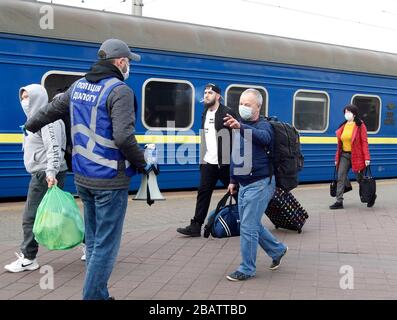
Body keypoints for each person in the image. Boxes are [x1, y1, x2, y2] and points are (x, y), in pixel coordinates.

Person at [24, 39, 154, 300]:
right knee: (106, 244)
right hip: (109, 179)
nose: (128, 66)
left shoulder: (78, 86)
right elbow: (123, 138)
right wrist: (144, 163)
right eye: (127, 61)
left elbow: (48, 111)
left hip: (83, 178)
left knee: (94, 239)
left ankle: (100, 294)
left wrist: (30, 126)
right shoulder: (120, 91)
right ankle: (93, 296)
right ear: (120, 62)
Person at [223, 88, 288, 281]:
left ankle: (247, 269)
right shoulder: (239, 125)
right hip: (244, 184)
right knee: (250, 225)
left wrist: (240, 127)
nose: (242, 107)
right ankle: (277, 250)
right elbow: (236, 155)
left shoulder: (264, 125)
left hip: (260, 184)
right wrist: (233, 180)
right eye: (241, 104)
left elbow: (264, 138)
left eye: (247, 104)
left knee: (248, 227)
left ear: (258, 107)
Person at [4, 84, 68, 273]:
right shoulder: (35, 118)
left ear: (38, 98)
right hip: (44, 172)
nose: (24, 101)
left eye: (28, 98)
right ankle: (90, 245)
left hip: (45, 174)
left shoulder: (47, 121)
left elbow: (54, 148)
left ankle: (29, 258)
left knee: (30, 217)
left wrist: (51, 173)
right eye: (22, 97)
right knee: (59, 216)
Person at [176, 84, 237, 237]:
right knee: (203, 193)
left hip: (225, 163)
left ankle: (250, 221)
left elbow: (238, 136)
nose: (206, 95)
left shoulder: (227, 112)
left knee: (237, 193)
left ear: (218, 96)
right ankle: (195, 226)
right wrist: (203, 161)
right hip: (209, 163)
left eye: (210, 92)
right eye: (205, 92)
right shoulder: (205, 113)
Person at [330, 104, 375, 209]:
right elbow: (339, 145)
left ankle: (371, 196)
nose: (346, 114)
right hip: (344, 155)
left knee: (360, 180)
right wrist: (336, 158)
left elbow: (364, 142)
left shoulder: (360, 125)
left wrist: (367, 158)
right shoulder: (343, 126)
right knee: (340, 176)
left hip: (357, 156)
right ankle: (339, 201)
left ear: (354, 114)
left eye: (348, 112)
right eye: (345, 112)